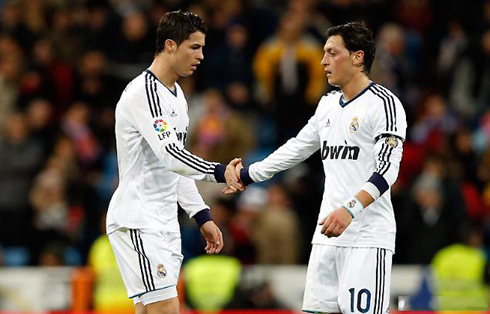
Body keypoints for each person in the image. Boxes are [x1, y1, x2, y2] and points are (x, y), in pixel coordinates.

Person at [231, 22, 407, 313]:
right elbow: (297, 147)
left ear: (357, 57)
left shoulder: (384, 105)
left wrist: (349, 209)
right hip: (327, 235)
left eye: (331, 53)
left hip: (366, 238)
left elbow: (387, 169)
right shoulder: (327, 105)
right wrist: (249, 174)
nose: (323, 61)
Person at [106, 11, 243, 314]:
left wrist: (202, 215)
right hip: (139, 219)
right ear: (170, 45)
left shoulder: (176, 95)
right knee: (167, 309)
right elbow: (172, 155)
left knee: (152, 310)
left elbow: (176, 166)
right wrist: (221, 172)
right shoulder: (145, 92)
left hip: (164, 222)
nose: (201, 56)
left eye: (203, 48)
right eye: (194, 47)